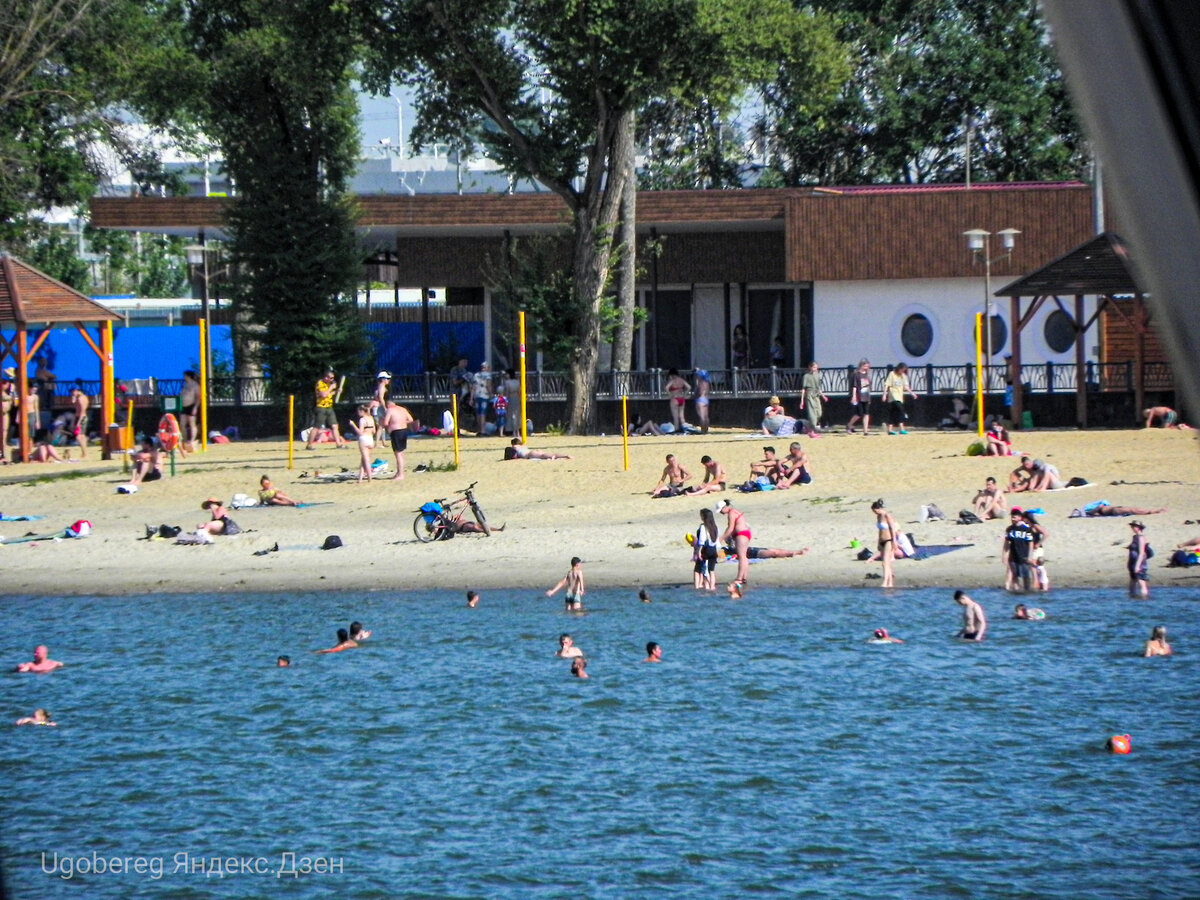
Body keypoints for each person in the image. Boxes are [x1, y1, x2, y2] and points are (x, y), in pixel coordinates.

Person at [305, 367, 345, 449]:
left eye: (333, 378)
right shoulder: (320, 383)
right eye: (330, 378)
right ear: (325, 377)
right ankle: (309, 444)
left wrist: (337, 392)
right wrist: (331, 388)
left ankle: (338, 444)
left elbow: (330, 394)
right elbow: (323, 395)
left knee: (334, 426)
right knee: (317, 427)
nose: (332, 380)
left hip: (329, 407)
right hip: (321, 408)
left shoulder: (329, 384)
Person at [718, 499, 751, 592]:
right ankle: (743, 577)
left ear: (724, 507)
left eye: (721, 510)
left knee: (741, 557)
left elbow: (730, 528)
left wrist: (722, 538)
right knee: (744, 556)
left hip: (741, 535)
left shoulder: (731, 513)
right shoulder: (735, 511)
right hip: (744, 534)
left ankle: (739, 578)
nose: (720, 512)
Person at [379, 399, 415, 480]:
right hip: (404, 430)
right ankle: (399, 472)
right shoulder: (402, 409)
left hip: (396, 431)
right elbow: (410, 419)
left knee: (398, 454)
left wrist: (384, 422)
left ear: (388, 404)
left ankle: (401, 475)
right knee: (401, 453)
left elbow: (385, 423)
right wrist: (402, 422)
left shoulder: (390, 410)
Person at [1003, 508, 1036, 592]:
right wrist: (1004, 555)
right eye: (1011, 517)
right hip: (1013, 555)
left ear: (1019, 518)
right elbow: (1007, 543)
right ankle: (1016, 589)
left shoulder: (1026, 529)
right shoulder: (1010, 529)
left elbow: (1030, 543)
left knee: (1025, 575)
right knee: (1015, 574)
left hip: (1024, 555)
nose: (1012, 519)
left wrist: (1030, 556)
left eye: (1014, 517)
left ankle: (1027, 589)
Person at [882, 363, 916, 435]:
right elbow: (887, 385)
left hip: (900, 397)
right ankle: (901, 428)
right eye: (902, 370)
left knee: (893, 413)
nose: (902, 371)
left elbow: (906, 387)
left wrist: (912, 393)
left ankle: (890, 430)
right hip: (893, 396)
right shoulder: (892, 374)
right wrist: (884, 394)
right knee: (901, 410)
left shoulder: (903, 376)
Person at [871, 498, 897, 588]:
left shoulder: (887, 515)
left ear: (878, 508)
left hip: (888, 541)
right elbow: (880, 530)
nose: (875, 513)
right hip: (882, 541)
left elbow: (892, 528)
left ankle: (885, 582)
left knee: (885, 563)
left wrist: (894, 541)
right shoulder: (878, 517)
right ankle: (890, 583)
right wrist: (878, 542)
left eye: (875, 511)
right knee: (887, 563)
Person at [348, 402, 376, 483]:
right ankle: (360, 478)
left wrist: (353, 425)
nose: (358, 413)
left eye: (359, 412)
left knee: (366, 460)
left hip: (364, 439)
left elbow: (360, 432)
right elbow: (374, 431)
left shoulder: (362, 420)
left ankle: (370, 477)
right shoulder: (371, 418)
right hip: (370, 439)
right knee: (364, 460)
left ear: (362, 411)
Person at [693, 507, 719, 591]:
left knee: (699, 568)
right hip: (713, 549)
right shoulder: (714, 527)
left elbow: (702, 540)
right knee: (711, 570)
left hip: (706, 549)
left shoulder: (703, 527)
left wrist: (699, 551)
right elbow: (716, 540)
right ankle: (712, 587)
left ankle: (698, 586)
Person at [1023, 509, 1050, 591]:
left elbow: (1046, 534)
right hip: (1034, 549)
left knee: (1035, 568)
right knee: (1038, 568)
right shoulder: (1028, 527)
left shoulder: (1035, 526)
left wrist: (1038, 543)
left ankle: (1038, 586)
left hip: (1037, 549)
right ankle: (1042, 586)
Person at [800, 361, 827, 436]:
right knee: (812, 414)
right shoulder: (806, 376)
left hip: (816, 395)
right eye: (814, 367)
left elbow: (818, 388)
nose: (815, 369)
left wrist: (823, 396)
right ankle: (812, 431)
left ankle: (809, 427)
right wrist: (802, 401)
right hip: (809, 395)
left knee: (819, 413)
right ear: (810, 367)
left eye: (816, 367)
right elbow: (803, 389)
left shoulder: (817, 375)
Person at [846, 358, 872, 435]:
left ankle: (865, 431)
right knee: (859, 414)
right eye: (866, 366)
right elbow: (854, 386)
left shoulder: (867, 375)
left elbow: (868, 387)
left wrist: (869, 397)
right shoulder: (856, 374)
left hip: (866, 396)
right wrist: (854, 396)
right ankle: (849, 425)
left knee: (866, 414)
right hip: (859, 396)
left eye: (868, 366)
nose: (867, 368)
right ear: (861, 365)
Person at [1127, 520, 1152, 598]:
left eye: (1134, 526)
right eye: (1132, 526)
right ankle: (1132, 597)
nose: (1132, 528)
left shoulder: (1141, 538)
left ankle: (1144, 598)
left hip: (1139, 563)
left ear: (1139, 528)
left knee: (1141, 581)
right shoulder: (1134, 537)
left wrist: (1137, 566)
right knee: (1132, 581)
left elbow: (1141, 553)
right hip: (1132, 562)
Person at [179, 370, 200, 450]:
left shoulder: (195, 385)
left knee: (192, 424)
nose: (184, 377)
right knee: (182, 424)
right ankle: (185, 440)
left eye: (185, 375)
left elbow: (198, 398)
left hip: (191, 406)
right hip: (183, 406)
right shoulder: (185, 385)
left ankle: (192, 440)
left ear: (188, 376)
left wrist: (195, 407)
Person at [471, 361, 493, 435]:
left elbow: (473, 387)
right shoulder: (488, 376)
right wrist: (491, 394)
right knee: (483, 413)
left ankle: (479, 429)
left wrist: (471, 398)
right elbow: (488, 385)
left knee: (478, 413)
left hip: (477, 395)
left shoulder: (476, 375)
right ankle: (483, 430)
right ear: (487, 368)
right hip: (484, 395)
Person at [505, 437, 572, 460]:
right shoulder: (523, 446)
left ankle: (565, 456)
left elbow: (511, 455)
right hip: (532, 451)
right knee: (548, 454)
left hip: (530, 454)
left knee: (545, 456)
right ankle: (564, 455)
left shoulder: (515, 447)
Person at [69, 385, 89, 458]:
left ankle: (85, 453)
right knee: (82, 436)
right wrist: (73, 399)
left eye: (72, 392)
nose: (71, 393)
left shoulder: (81, 398)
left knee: (78, 436)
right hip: (80, 417)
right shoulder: (80, 397)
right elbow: (75, 406)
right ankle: (84, 453)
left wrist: (78, 422)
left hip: (81, 418)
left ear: (76, 390)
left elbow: (82, 411)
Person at [503, 368, 522, 436]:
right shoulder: (517, 382)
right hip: (517, 398)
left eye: (507, 374)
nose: (506, 375)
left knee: (510, 414)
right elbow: (519, 392)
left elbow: (507, 392)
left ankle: (512, 430)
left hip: (510, 398)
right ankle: (517, 430)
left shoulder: (507, 382)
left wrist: (505, 401)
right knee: (517, 414)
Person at [1082, 502, 1168, 517]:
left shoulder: (1095, 509)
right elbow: (1091, 513)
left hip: (1114, 509)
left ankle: (1151, 511)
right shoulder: (1092, 511)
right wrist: (1099, 507)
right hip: (1113, 511)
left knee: (1133, 509)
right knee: (1132, 510)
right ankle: (1152, 512)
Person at [693, 369, 711, 434]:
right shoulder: (707, 383)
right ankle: (706, 430)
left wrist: (694, 395)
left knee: (702, 416)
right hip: (706, 399)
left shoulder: (700, 383)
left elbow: (699, 392)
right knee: (706, 416)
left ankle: (702, 431)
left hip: (700, 400)